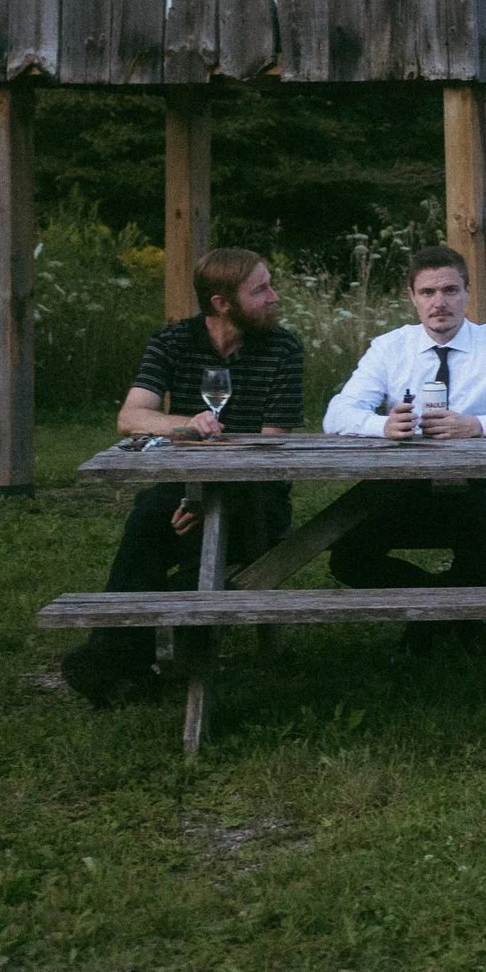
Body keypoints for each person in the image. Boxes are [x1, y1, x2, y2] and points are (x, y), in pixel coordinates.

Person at [59, 248, 306, 708]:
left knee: (199, 551)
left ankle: (125, 662)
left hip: (256, 496)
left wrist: (206, 499)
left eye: (270, 284)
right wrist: (183, 425)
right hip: (184, 486)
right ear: (221, 303)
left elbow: (271, 448)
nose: (274, 297)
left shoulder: (283, 348)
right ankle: (125, 666)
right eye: (261, 290)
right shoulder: (173, 341)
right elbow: (131, 416)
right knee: (148, 519)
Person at [322, 244, 486, 645]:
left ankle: (441, 618)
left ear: (468, 293)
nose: (440, 303)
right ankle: (448, 610)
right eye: (428, 292)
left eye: (450, 291)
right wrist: (381, 425)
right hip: (399, 488)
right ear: (411, 297)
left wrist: (478, 425)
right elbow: (337, 414)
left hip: (476, 488)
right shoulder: (390, 347)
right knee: (347, 556)